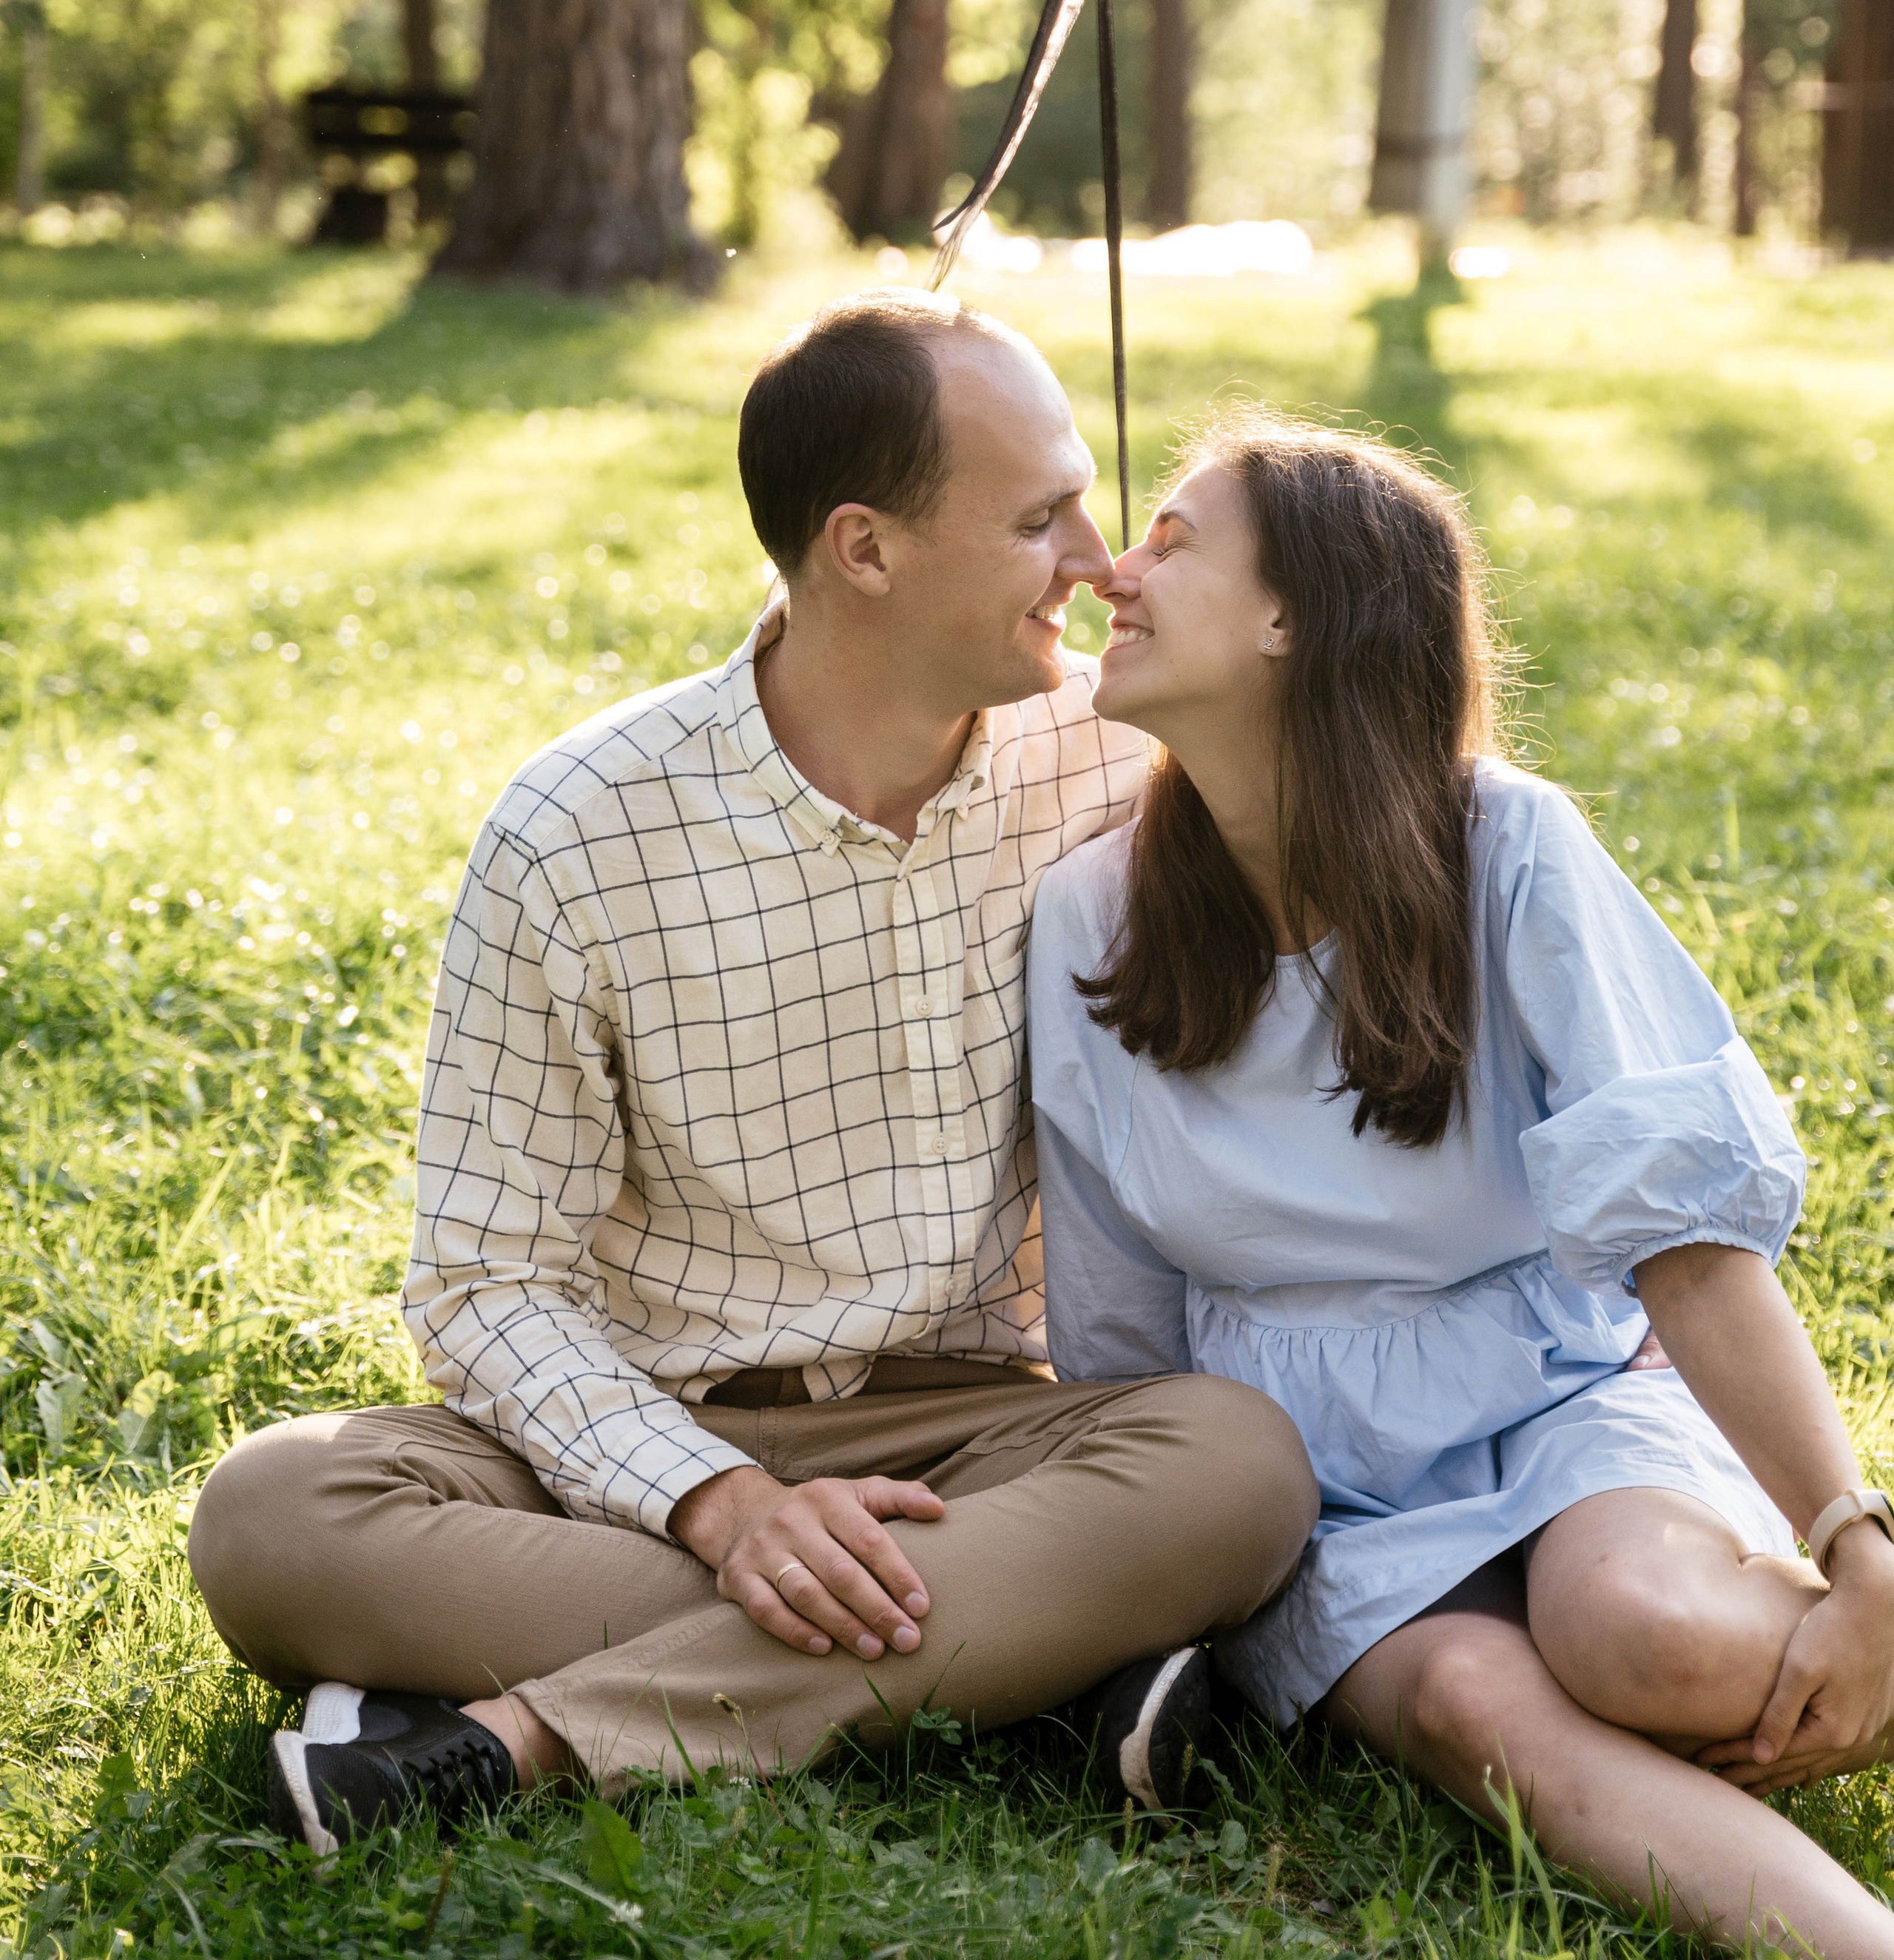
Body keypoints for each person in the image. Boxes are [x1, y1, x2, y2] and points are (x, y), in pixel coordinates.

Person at [189, 294, 1315, 1854]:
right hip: (629, 1435)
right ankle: (1034, 1666)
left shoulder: (1111, 754)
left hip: (975, 1434)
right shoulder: (577, 830)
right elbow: (483, 1282)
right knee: (272, 1515)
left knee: (1238, 1471)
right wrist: (716, 1507)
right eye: (1037, 517)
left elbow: (1384, 807)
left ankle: (515, 1738)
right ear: (863, 550)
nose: (1099, 561)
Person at [1027, 408, 1894, 1958]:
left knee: (1650, 1639)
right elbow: (1113, 1325)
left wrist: (1854, 1547)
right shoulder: (1085, 918)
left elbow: (1681, 1234)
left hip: (1552, 1387)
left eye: (1170, 541)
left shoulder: (1506, 847)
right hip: (1301, 1478)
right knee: (1465, 1702)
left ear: (1294, 615)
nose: (1110, 574)